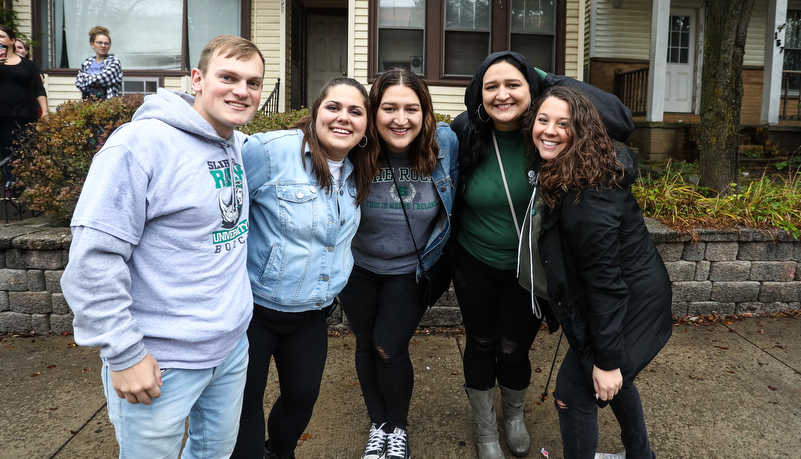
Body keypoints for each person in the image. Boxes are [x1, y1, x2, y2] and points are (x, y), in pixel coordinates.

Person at [60, 35, 265, 458]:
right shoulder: (140, 146)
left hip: (229, 351)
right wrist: (124, 353)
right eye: (228, 77)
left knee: (215, 453)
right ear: (197, 79)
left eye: (253, 82)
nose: (241, 91)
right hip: (159, 361)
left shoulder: (237, 146)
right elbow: (92, 258)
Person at [448, 51, 634, 459]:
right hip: (473, 262)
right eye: (491, 85)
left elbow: (621, 121)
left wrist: (544, 76)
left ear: (532, 89)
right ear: (478, 93)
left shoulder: (551, 132)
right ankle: (485, 431)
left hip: (529, 271)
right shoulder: (465, 131)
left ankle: (513, 417)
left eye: (514, 84)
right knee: (480, 344)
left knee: (512, 349)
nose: (502, 94)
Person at [524, 86, 672, 459]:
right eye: (543, 120)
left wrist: (606, 360)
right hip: (627, 293)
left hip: (628, 302)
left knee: (572, 394)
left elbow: (605, 284)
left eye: (564, 123)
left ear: (584, 131)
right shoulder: (575, 169)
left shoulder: (587, 198)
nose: (550, 130)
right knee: (613, 381)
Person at [232, 77, 377, 459]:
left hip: (312, 314)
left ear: (365, 126)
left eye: (355, 111)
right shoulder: (269, 152)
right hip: (254, 314)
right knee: (243, 412)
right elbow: (220, 211)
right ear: (315, 113)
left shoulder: (359, 167)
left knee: (300, 402)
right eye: (334, 107)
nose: (343, 118)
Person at [337, 68, 458, 459]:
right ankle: (379, 426)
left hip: (411, 270)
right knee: (364, 343)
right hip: (356, 267)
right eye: (389, 108)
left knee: (388, 346)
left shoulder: (447, 144)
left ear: (426, 113)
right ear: (373, 111)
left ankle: (398, 427)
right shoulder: (354, 144)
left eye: (412, 108)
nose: (400, 119)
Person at [0, 25, 48, 195]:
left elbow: (39, 90)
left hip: (20, 116)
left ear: (12, 41)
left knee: (15, 154)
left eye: (2, 36)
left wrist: (45, 112)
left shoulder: (27, 65)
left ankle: (14, 190)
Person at [75, 26, 122, 100]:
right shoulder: (87, 62)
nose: (103, 46)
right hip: (88, 104)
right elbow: (78, 83)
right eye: (99, 43)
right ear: (92, 44)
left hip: (107, 106)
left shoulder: (114, 61)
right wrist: (94, 80)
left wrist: (85, 78)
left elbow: (102, 79)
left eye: (106, 43)